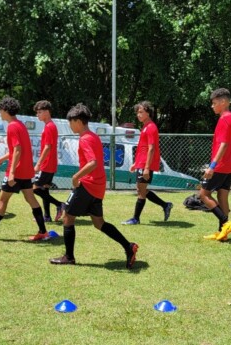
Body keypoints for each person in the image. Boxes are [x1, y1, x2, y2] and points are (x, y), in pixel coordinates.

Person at [49, 103, 138, 269]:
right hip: (97, 186)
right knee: (99, 223)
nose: (70, 125)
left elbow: (93, 162)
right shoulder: (93, 136)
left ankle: (69, 257)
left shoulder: (85, 139)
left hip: (88, 185)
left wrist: (76, 177)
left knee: (68, 217)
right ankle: (129, 247)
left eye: (70, 122)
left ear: (78, 121)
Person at [0, 96, 49, 240]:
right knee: (31, 199)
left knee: (2, 201)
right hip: (25, 171)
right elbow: (16, 150)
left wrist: (12, 173)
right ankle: (43, 232)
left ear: (5, 110)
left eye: (0, 110)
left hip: (17, 171)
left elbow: (18, 150)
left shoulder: (12, 126)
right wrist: (0, 160)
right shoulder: (20, 125)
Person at [121, 101, 173, 224]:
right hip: (141, 163)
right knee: (141, 190)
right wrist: (136, 164)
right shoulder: (145, 127)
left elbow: (151, 148)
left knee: (141, 191)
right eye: (137, 112)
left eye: (141, 112)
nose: (138, 115)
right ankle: (165, 205)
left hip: (145, 164)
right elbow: (142, 148)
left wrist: (146, 167)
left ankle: (136, 219)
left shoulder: (151, 127)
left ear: (148, 113)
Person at [200, 88, 231, 241]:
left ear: (223, 102)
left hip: (221, 165)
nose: (212, 106)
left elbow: (223, 144)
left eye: (214, 103)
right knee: (222, 196)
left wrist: (212, 166)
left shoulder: (224, 119)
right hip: (230, 165)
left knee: (203, 195)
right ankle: (223, 234)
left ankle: (226, 223)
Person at [32, 100, 65, 222]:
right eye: (37, 113)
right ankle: (46, 216)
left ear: (47, 112)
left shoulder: (50, 126)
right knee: (44, 190)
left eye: (40, 112)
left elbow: (48, 147)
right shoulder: (49, 126)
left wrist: (38, 164)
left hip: (47, 164)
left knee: (35, 189)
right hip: (50, 164)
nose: (38, 115)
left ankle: (60, 204)